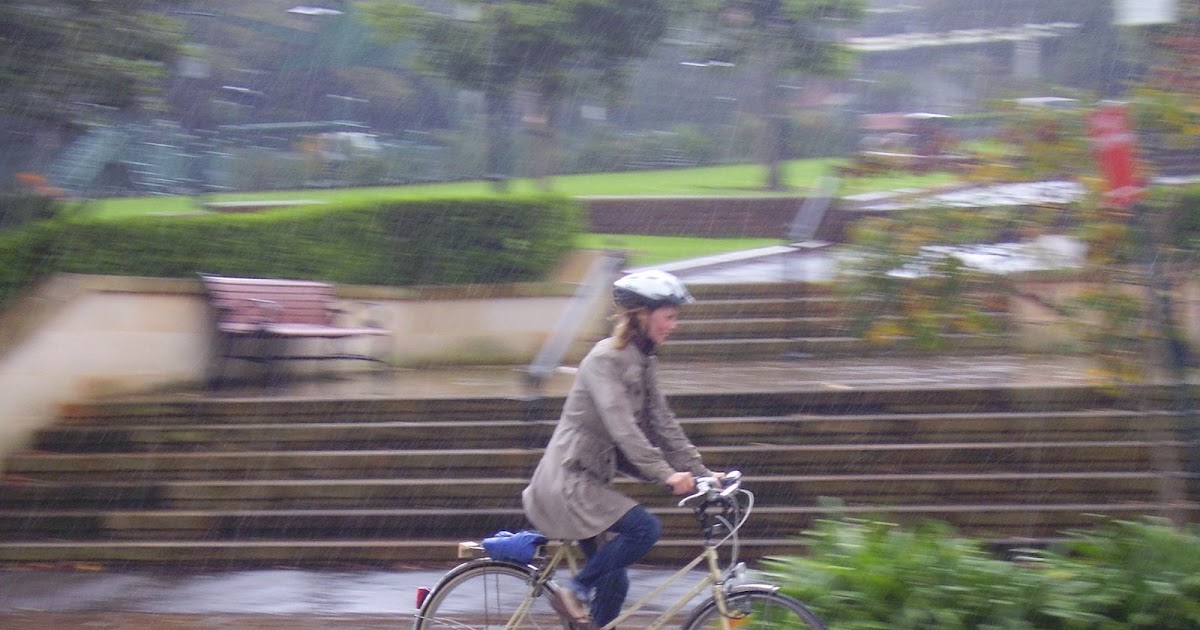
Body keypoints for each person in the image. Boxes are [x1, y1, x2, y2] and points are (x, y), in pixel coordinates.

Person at [522, 269, 719, 629]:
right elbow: (623, 427)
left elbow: (663, 423)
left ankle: (581, 596)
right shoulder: (605, 360)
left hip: (590, 483)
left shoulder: (643, 360)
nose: (673, 325)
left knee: (614, 582)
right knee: (645, 529)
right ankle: (575, 590)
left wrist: (703, 473)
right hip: (568, 483)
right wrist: (666, 474)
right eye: (668, 316)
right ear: (642, 315)